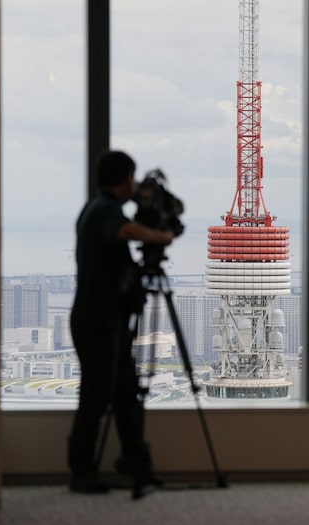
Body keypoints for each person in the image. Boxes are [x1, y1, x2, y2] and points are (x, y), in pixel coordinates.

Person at [68, 150, 174, 494]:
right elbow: (125, 230)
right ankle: (82, 472)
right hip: (98, 321)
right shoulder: (106, 211)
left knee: (125, 393)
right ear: (126, 177)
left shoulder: (93, 208)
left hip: (103, 320)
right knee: (97, 398)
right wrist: (159, 237)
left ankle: (133, 461)